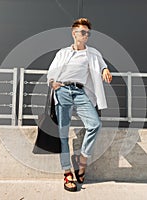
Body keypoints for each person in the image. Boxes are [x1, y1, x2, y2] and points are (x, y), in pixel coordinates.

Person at [47, 18, 112, 192]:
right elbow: (52, 71)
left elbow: (102, 65)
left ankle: (81, 162)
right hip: (62, 91)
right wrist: (53, 83)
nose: (85, 36)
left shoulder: (92, 53)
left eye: (87, 33)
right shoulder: (62, 52)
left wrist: (105, 70)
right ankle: (67, 172)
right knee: (62, 133)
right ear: (74, 33)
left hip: (80, 92)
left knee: (94, 124)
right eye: (82, 32)